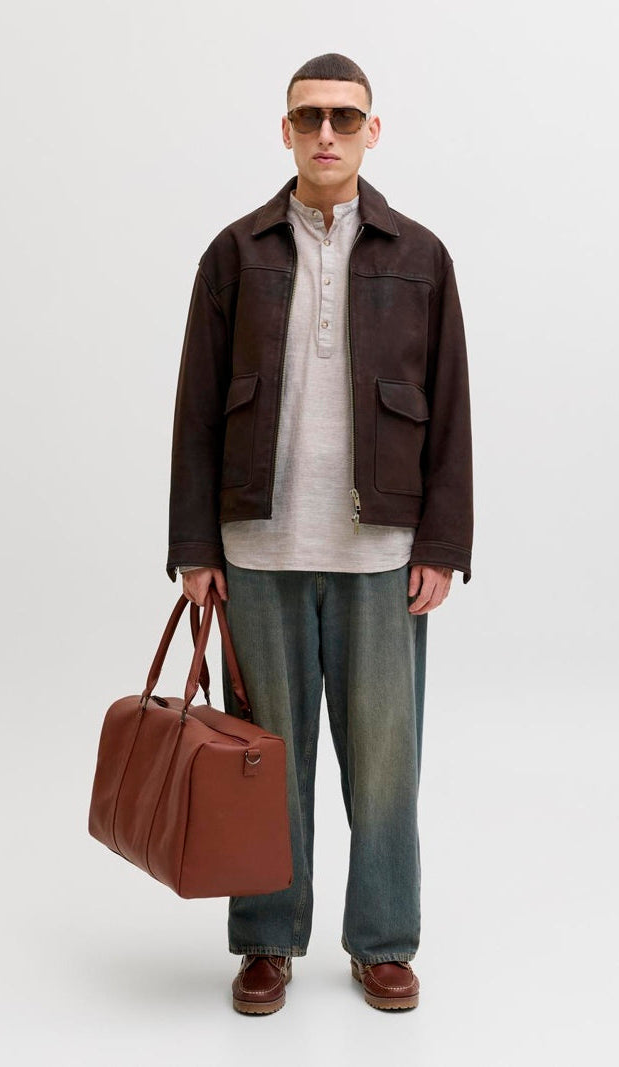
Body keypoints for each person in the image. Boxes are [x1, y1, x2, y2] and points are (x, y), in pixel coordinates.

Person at [166, 52, 473, 1014]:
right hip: (256, 553)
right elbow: (196, 408)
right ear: (287, 131)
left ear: (373, 130)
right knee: (265, 764)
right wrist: (194, 546)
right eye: (310, 117)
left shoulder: (421, 256)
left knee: (385, 767)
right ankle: (266, 938)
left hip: (382, 558)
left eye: (345, 116)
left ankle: (383, 940)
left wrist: (442, 544)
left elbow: (453, 408)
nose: (327, 132)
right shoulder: (234, 252)